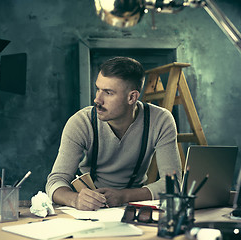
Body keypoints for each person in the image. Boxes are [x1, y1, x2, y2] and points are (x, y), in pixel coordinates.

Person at [46, 57, 181, 210]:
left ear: (132, 97)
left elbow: (173, 184)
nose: (97, 99)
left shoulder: (160, 120)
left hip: (133, 207)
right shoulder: (81, 123)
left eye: (108, 93)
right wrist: (76, 199)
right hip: (90, 209)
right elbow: (56, 180)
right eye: (98, 89)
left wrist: (124, 196)